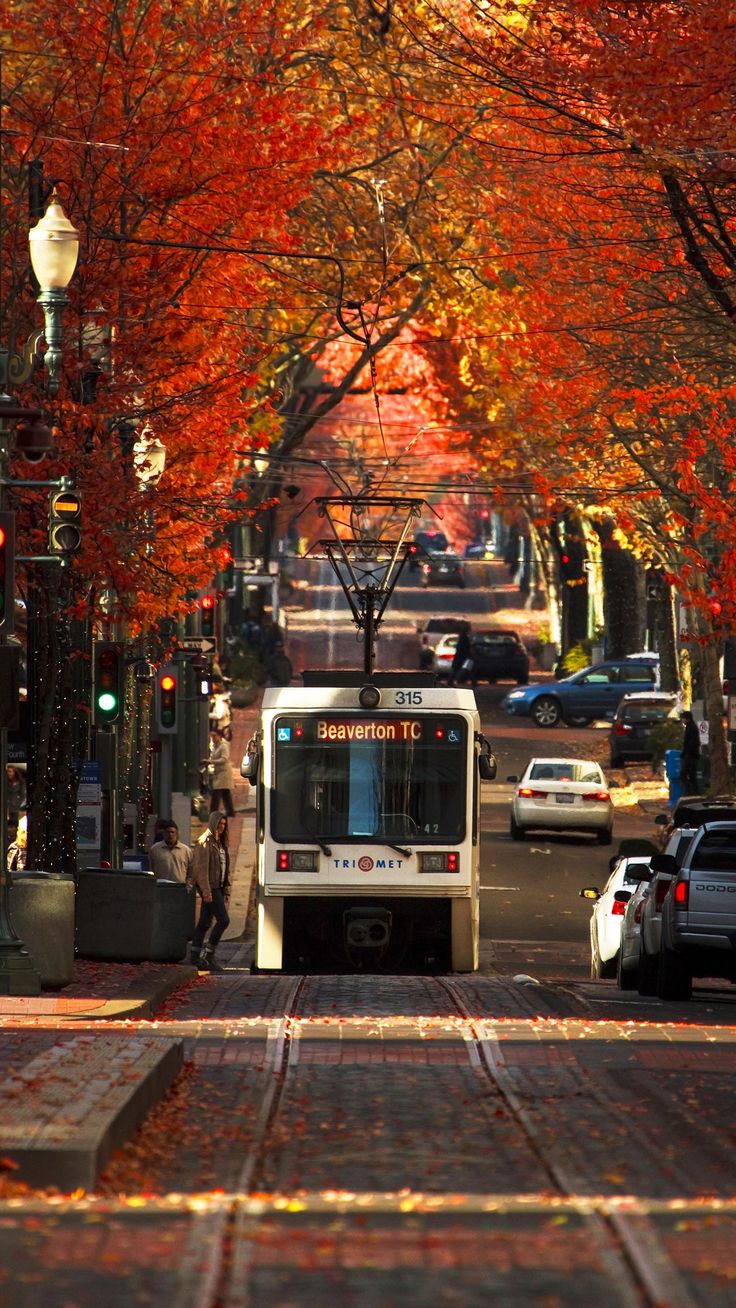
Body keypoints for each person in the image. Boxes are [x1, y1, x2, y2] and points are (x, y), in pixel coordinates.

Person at [190, 813, 231, 971]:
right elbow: (201, 869)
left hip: (218, 887)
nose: (222, 826)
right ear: (213, 823)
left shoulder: (220, 842)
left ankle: (194, 956)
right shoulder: (205, 841)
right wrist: (206, 891)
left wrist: (226, 889)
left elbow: (224, 867)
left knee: (204, 923)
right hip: (211, 887)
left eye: (224, 823)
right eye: (219, 823)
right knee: (224, 920)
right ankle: (208, 954)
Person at [207, 727, 235, 817]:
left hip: (224, 773)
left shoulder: (223, 746)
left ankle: (213, 812)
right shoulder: (215, 745)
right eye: (211, 736)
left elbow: (224, 759)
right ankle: (230, 812)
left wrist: (211, 762)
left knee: (217, 793)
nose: (213, 738)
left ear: (219, 736)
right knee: (225, 794)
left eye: (214, 736)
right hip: (219, 772)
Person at [680, 710, 701, 794]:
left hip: (690, 756)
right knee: (692, 776)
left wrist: (686, 753)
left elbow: (691, 743)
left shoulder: (691, 728)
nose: (682, 720)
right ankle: (695, 792)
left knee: (683, 775)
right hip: (692, 755)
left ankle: (689, 792)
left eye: (683, 718)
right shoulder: (690, 727)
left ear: (687, 719)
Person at [6, 766, 26, 840]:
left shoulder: (20, 782)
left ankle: (15, 837)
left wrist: (18, 803)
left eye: (10, 772)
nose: (9, 774)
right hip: (7, 805)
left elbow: (23, 795)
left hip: (15, 806)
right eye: (8, 772)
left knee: (14, 822)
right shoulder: (6, 782)